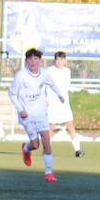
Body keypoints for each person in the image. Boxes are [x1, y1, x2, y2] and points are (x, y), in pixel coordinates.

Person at [9, 47, 63, 182]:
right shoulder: (21, 75)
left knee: (46, 137)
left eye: (35, 58)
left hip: (40, 112)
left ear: (40, 60)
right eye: (30, 59)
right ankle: (26, 149)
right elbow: (12, 93)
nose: (33, 61)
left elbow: (52, 84)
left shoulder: (44, 73)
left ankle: (49, 172)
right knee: (35, 144)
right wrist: (21, 109)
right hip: (26, 114)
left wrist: (59, 95)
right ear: (26, 61)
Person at [45, 50, 83, 156]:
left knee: (70, 124)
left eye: (61, 59)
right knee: (51, 126)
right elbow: (45, 86)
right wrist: (45, 99)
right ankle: (46, 149)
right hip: (52, 101)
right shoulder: (49, 70)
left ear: (65, 60)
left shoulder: (67, 71)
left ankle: (77, 149)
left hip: (63, 102)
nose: (59, 62)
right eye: (57, 59)